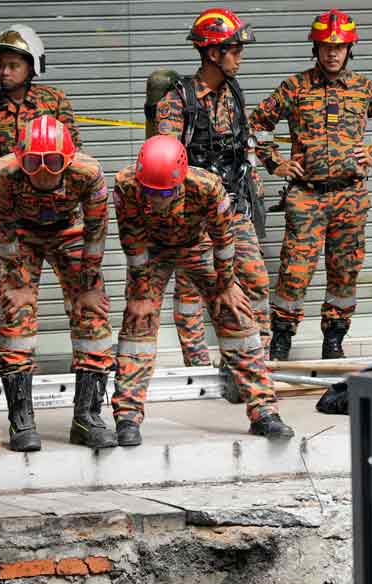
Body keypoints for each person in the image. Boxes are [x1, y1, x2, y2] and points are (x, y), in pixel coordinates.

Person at [111, 135, 293, 445]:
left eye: (165, 192)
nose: (156, 200)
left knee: (235, 314)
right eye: (150, 192)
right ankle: (128, 416)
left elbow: (224, 240)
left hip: (199, 245)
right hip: (152, 250)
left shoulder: (207, 187)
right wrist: (141, 291)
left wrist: (225, 285)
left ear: (179, 182)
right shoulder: (126, 185)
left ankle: (264, 411)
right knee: (137, 321)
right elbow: (132, 242)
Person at [250, 9, 372, 360]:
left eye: (340, 47)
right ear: (316, 49)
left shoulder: (363, 89)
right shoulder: (295, 87)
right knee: (294, 272)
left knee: (345, 272)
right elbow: (259, 124)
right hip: (306, 196)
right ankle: (282, 339)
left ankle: (334, 339)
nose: (332, 53)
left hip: (350, 194)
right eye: (325, 46)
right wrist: (276, 162)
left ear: (350, 49)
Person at [0, 115, 116, 452]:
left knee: (92, 314)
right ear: (20, 159)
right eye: (33, 162)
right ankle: (21, 422)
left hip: (69, 232)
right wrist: (14, 280)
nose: (43, 171)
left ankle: (87, 417)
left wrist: (88, 282)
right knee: (16, 314)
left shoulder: (89, 173)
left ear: (68, 161)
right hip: (21, 236)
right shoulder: (3, 172)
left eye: (53, 162)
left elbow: (96, 230)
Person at [157, 7, 270, 366]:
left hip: (235, 209)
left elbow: (243, 147)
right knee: (191, 293)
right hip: (196, 219)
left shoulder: (234, 92)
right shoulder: (177, 102)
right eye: (234, 50)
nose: (240, 57)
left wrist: (255, 198)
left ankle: (254, 361)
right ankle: (198, 368)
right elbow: (165, 166)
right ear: (212, 53)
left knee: (256, 283)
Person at [0, 24, 79, 224]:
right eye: (0, 65)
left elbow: (74, 154)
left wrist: (76, 199)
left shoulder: (54, 101)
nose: (4, 72)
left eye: (13, 65)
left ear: (32, 66)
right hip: (3, 209)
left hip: (53, 206)